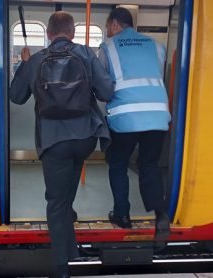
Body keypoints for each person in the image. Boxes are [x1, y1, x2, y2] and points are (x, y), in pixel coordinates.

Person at [9, 11, 114, 278]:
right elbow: (106, 92)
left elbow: (16, 96)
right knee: (65, 194)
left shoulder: (36, 60)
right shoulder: (86, 55)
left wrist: (24, 63)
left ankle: (61, 269)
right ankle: (71, 247)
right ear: (73, 32)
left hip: (53, 139)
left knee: (55, 201)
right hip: (84, 138)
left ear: (48, 33)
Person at [98, 7, 171, 240]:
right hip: (158, 116)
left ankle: (122, 216)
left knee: (117, 163)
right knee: (148, 164)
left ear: (116, 24)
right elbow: (155, 75)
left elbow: (103, 85)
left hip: (125, 116)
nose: (108, 31)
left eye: (109, 26)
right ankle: (160, 215)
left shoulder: (108, 47)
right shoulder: (156, 46)